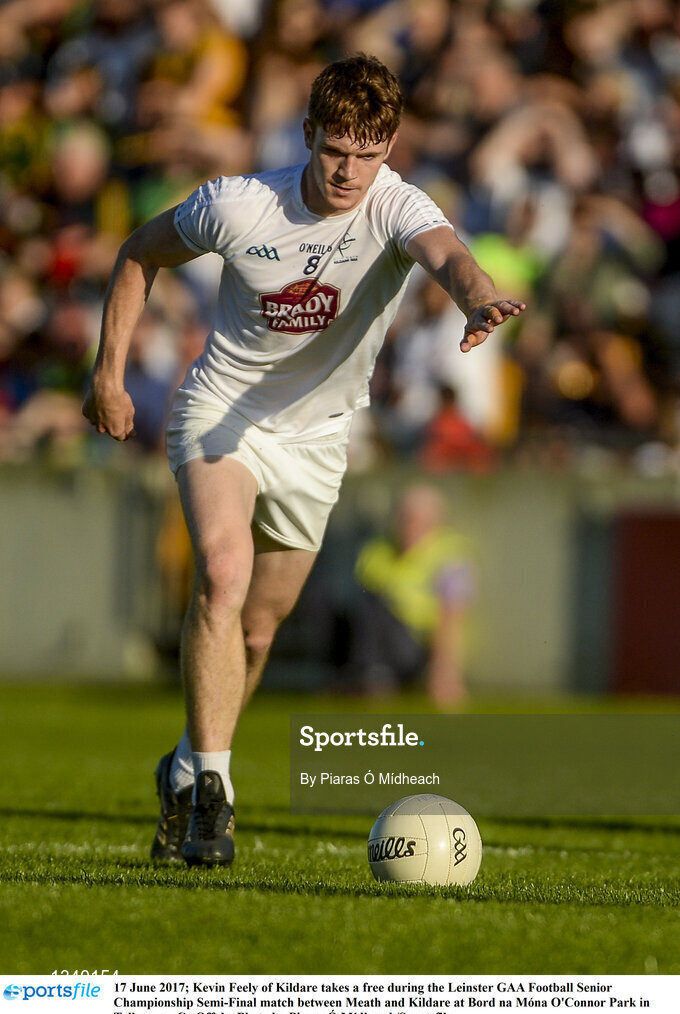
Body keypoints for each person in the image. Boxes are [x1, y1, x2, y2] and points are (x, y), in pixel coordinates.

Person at [82, 53, 526, 868]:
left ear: (389, 146)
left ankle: (184, 765)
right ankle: (212, 792)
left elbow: (449, 256)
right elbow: (138, 254)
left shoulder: (396, 203)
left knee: (256, 632)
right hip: (223, 413)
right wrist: (107, 375)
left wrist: (479, 297)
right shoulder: (239, 204)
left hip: (318, 441)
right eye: (335, 150)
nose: (351, 169)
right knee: (222, 572)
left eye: (369, 150)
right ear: (309, 134)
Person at [348, 484, 475, 704]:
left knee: (376, 604)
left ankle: (374, 677)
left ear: (436, 522)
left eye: (417, 519)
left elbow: (451, 618)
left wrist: (445, 674)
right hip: (373, 641)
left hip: (416, 646)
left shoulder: (451, 556)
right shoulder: (377, 549)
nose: (409, 525)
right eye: (404, 518)